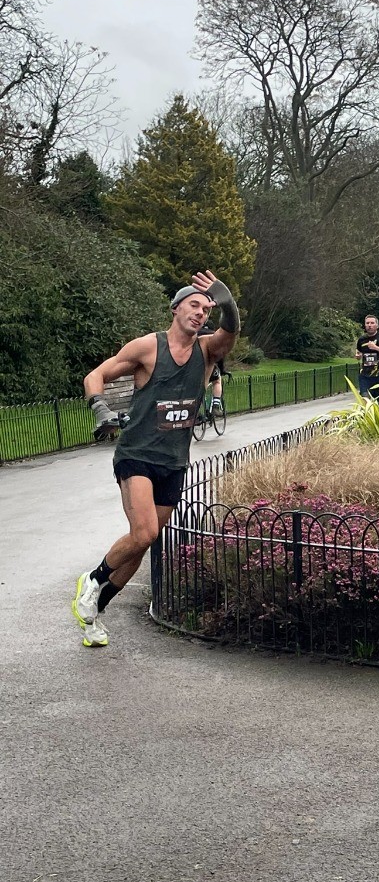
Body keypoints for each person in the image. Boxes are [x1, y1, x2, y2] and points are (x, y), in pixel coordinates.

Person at [71, 270, 239, 648]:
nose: (200, 313)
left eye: (206, 309)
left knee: (142, 542)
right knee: (144, 532)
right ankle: (93, 580)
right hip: (137, 455)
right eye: (193, 305)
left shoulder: (207, 350)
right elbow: (96, 375)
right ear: (175, 308)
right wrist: (100, 408)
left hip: (173, 461)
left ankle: (94, 612)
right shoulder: (148, 347)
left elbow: (231, 331)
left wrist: (226, 302)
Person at [355, 313, 379, 402]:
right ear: (365, 325)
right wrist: (358, 356)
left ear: (377, 325)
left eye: (372, 323)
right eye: (367, 323)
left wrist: (376, 347)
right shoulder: (361, 339)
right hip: (365, 376)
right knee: (365, 400)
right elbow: (358, 352)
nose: (369, 325)